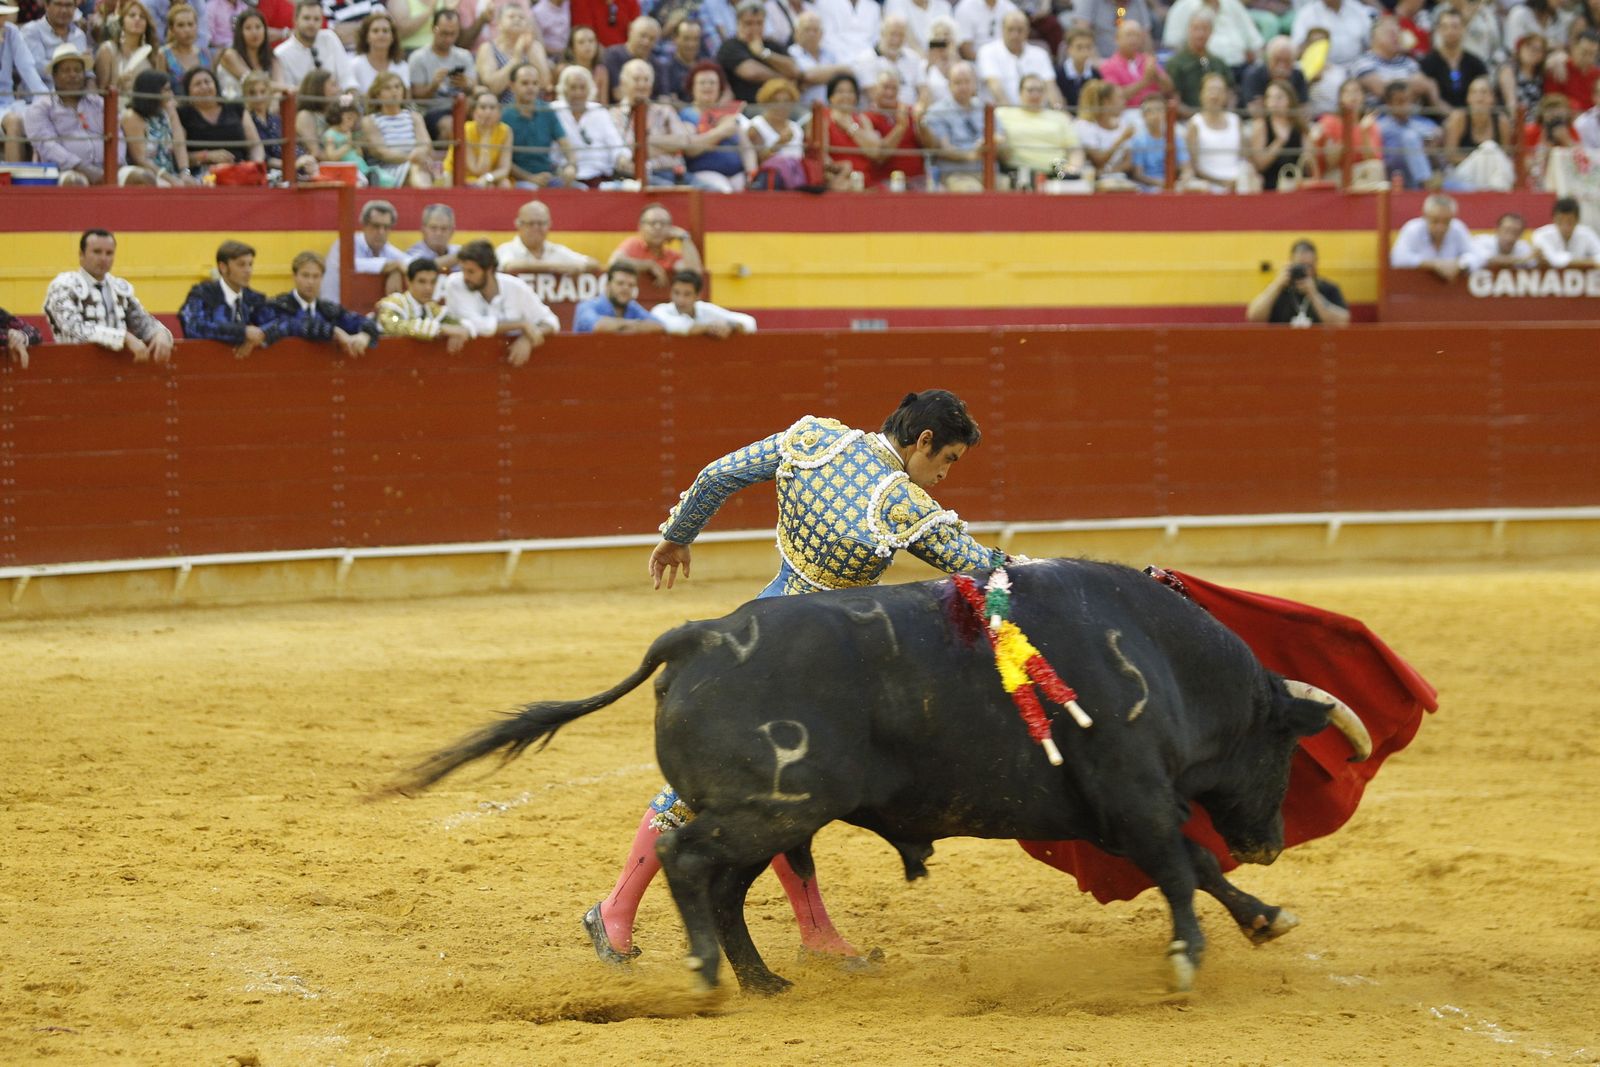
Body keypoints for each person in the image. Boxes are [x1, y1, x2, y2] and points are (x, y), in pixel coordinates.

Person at [584, 388, 1010, 967]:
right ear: (924, 441)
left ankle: (814, 932)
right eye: (947, 460)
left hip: (762, 624)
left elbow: (715, 476)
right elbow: (978, 563)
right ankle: (614, 909)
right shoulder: (898, 502)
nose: (944, 476)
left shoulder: (814, 439)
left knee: (792, 789)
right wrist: (1049, 578)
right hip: (807, 667)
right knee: (722, 788)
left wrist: (678, 535)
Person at [43, 228, 177, 360]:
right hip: (74, 367)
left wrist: (160, 333)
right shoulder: (64, 286)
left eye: (109, 253)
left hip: (116, 370)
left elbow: (143, 322)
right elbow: (74, 329)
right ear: (81, 255)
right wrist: (123, 337)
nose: (103, 258)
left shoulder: (119, 288)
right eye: (97, 252)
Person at [439, 239, 558, 366]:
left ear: (489, 269)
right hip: (467, 364)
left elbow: (551, 321)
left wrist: (528, 338)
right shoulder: (455, 284)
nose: (465, 277)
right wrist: (522, 325)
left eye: (471, 271)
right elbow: (477, 325)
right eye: (463, 270)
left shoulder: (516, 287)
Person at [24, 45, 125, 185]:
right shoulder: (40, 108)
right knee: (74, 181)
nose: (73, 75)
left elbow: (117, 135)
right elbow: (48, 146)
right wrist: (84, 169)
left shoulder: (99, 103)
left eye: (78, 70)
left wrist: (114, 166)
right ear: (54, 76)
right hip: (65, 170)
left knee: (140, 178)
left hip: (110, 168)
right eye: (66, 70)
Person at [265, 250, 380, 357]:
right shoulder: (279, 305)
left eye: (316, 276)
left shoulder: (328, 309)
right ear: (295, 276)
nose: (310, 282)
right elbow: (294, 325)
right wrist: (334, 331)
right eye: (305, 275)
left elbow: (363, 321)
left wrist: (365, 334)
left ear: (322, 278)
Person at [178, 239, 277, 358]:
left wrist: (260, 335)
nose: (248, 270)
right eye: (241, 264)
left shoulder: (253, 298)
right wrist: (242, 333)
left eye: (250, 264)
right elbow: (193, 327)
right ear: (223, 267)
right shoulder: (202, 294)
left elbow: (281, 321)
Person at [610, 58, 691, 186]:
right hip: (640, 177)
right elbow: (629, 152)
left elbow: (683, 142)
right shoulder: (614, 115)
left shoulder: (664, 110)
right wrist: (668, 147)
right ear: (623, 83)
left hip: (678, 174)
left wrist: (645, 141)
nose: (642, 85)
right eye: (636, 79)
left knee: (712, 191)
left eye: (646, 80)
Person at [679, 61, 756, 191]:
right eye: (702, 83)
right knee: (723, 191)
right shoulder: (687, 115)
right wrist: (721, 131)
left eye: (712, 83)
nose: (707, 87)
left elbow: (746, 147)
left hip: (738, 174)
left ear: (720, 88)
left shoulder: (728, 114)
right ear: (692, 87)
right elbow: (690, 149)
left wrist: (751, 172)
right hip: (704, 174)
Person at [552, 64, 631, 185]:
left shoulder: (599, 111)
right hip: (565, 176)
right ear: (564, 89)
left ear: (589, 89)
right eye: (573, 88)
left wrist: (622, 157)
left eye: (582, 87)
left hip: (598, 175)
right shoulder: (554, 110)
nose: (578, 93)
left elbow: (616, 144)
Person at [1245, 238, 1350, 326]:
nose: (1304, 271)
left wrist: (1313, 294)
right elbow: (1254, 317)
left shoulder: (1327, 288)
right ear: (1291, 263)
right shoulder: (1279, 289)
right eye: (1300, 266)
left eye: (1308, 266)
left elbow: (1342, 321)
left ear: (1316, 264)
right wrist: (1277, 285)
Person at [178, 65, 264, 172]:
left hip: (240, 171)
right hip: (202, 175)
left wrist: (254, 165)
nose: (204, 87)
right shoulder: (182, 115)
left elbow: (255, 145)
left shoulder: (236, 108)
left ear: (216, 86)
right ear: (188, 92)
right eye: (197, 84)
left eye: (207, 82)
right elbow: (178, 155)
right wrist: (206, 156)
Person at [409, 7, 476, 142]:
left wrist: (465, 84)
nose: (448, 39)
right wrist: (433, 86)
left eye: (453, 34)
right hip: (433, 111)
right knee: (451, 126)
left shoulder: (464, 56)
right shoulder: (418, 58)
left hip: (462, 106)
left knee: (485, 109)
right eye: (444, 33)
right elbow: (417, 97)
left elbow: (474, 88)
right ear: (433, 29)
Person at [503, 61, 575, 186]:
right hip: (519, 181)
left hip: (548, 176)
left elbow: (566, 145)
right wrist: (530, 178)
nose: (531, 87)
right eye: (525, 83)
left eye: (535, 83)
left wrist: (571, 166)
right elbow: (503, 161)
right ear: (512, 86)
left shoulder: (547, 110)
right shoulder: (504, 116)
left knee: (581, 189)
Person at [996, 71, 1081, 177]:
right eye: (1030, 90)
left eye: (1040, 90)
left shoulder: (1060, 117)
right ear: (1020, 92)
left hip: (1057, 173)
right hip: (1016, 172)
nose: (1035, 95)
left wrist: (1073, 169)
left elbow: (1075, 149)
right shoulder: (1002, 113)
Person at [324, 199, 409, 304]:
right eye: (376, 226)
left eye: (386, 227)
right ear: (364, 225)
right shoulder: (345, 244)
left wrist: (396, 270)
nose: (381, 232)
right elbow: (351, 265)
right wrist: (393, 265)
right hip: (331, 311)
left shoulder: (387, 250)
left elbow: (409, 263)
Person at [375, 256, 472, 346]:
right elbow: (395, 324)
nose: (428, 288)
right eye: (422, 281)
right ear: (408, 281)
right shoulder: (393, 303)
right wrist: (441, 329)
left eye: (432, 282)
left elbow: (459, 323)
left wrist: (463, 329)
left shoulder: (431, 308)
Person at [362, 70, 435, 188]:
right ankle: (427, 199)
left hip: (415, 164)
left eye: (397, 86)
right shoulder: (369, 121)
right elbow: (381, 152)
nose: (394, 91)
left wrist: (417, 156)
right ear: (377, 94)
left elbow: (426, 144)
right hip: (385, 170)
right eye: (388, 88)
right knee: (416, 168)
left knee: (420, 168)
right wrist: (410, 159)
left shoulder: (415, 117)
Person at [497, 198, 602, 279]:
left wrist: (578, 268)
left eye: (541, 223)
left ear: (549, 224)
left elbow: (593, 263)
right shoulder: (506, 249)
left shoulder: (557, 251)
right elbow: (510, 267)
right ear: (518, 224)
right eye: (531, 223)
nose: (536, 228)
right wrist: (556, 268)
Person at [122, 68, 194, 184]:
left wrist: (185, 173)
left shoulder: (168, 109)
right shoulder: (131, 117)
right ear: (152, 92)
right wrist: (172, 180)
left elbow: (179, 144)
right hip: (148, 177)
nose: (171, 94)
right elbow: (140, 159)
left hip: (171, 174)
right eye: (166, 90)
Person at [609, 202, 705, 288]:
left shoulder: (670, 256)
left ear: (670, 228)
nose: (658, 227)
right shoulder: (633, 244)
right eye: (652, 223)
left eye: (663, 224)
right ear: (640, 227)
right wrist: (649, 265)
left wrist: (684, 238)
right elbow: (613, 263)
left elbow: (694, 273)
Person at [1308, 77, 1382, 183]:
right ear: (1340, 99)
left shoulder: (1369, 123)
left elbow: (1373, 159)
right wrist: (1339, 146)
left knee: (1375, 167)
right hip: (1335, 173)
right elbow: (1329, 164)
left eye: (1356, 91)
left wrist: (1364, 132)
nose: (1353, 96)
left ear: (1363, 97)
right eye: (1347, 92)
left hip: (1361, 172)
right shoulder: (1330, 121)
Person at [923, 59, 983, 189]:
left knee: (1018, 190)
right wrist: (972, 155)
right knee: (973, 192)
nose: (963, 87)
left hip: (988, 172)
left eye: (967, 82)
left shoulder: (984, 108)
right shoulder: (938, 111)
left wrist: (995, 140)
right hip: (955, 174)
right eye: (958, 83)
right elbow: (945, 149)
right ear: (949, 85)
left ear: (974, 84)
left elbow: (1001, 137)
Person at [975, 9, 1052, 107]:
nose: (1015, 35)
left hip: (1037, 115)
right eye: (1010, 29)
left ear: (1028, 31)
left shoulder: (1041, 54)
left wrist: (1060, 112)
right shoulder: (987, 52)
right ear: (1002, 30)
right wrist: (1013, 114)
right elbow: (995, 88)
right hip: (1001, 116)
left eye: (1020, 30)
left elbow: (1051, 88)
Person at [1162, 0, 1264, 73]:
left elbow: (1255, 42)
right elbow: (1173, 45)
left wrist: (1257, 63)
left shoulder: (1233, 4)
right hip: (1201, 68)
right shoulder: (1183, 6)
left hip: (1239, 68)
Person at [1185, 70, 1246, 191]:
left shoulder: (1236, 120)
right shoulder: (1195, 123)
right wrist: (1222, 182)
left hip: (1238, 183)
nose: (1215, 95)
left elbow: (1243, 157)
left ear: (1226, 95)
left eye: (1219, 90)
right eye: (1210, 90)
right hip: (1209, 185)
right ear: (1201, 94)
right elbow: (1194, 166)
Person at [1390, 191, 1474, 278]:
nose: (1440, 227)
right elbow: (1398, 258)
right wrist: (1433, 264)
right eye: (1435, 221)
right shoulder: (1413, 229)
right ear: (1425, 216)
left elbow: (1476, 255)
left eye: (1446, 222)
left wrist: (1459, 264)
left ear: (1452, 217)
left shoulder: (1457, 228)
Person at [649, 268, 756, 336]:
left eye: (687, 294)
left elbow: (749, 322)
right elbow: (676, 326)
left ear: (697, 296)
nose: (680, 299)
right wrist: (710, 328)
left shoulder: (705, 309)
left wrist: (729, 325)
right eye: (676, 293)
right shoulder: (660, 310)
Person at [2, 14, 50, 165]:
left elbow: (27, 68)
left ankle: (43, 180)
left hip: (7, 103)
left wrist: (46, 99)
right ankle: (11, 187)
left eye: (3, 15)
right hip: (6, 111)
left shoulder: (11, 32)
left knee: (40, 114)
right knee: (13, 121)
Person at [478, 4, 550, 104]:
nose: (517, 20)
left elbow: (544, 83)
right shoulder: (488, 48)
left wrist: (530, 49)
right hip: (502, 108)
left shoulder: (534, 46)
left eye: (522, 17)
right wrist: (516, 58)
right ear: (499, 23)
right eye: (511, 16)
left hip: (533, 106)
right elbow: (493, 87)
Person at [1419, 8, 1489, 112]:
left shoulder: (1476, 64)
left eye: (1455, 26)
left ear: (1463, 29)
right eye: (1445, 27)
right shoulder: (1427, 63)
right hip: (1435, 122)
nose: (1450, 31)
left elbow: (1486, 96)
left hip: (1470, 120)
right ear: (1438, 30)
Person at [274, 0, 354, 90]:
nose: (311, 23)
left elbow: (347, 78)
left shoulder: (329, 37)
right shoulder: (281, 53)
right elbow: (289, 93)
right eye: (306, 18)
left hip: (338, 101)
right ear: (295, 20)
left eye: (316, 19)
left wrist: (351, 93)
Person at [1167, 9, 1236, 112]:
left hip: (1219, 118)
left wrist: (1227, 114)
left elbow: (1230, 93)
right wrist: (1200, 118)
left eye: (1205, 29)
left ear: (1211, 32)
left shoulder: (1219, 63)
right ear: (1189, 30)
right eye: (1196, 28)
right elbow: (1174, 99)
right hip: (1187, 119)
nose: (1200, 34)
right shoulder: (1176, 63)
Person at [443, 88, 514, 186]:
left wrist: (488, 177)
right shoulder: (465, 130)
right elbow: (477, 170)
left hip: (485, 176)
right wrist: (486, 135)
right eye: (483, 107)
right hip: (459, 176)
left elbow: (504, 169)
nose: (488, 112)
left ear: (499, 113)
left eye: (492, 108)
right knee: (485, 186)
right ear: (474, 112)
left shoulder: (506, 131)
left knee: (505, 184)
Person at [1375, 79, 1438, 189]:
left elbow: (1437, 133)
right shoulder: (1380, 127)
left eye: (1408, 101)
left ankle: (1427, 181)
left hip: (1415, 173)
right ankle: (1426, 183)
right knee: (1409, 137)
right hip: (1392, 173)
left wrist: (1434, 140)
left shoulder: (1419, 123)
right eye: (1400, 102)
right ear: (1389, 104)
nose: (1405, 106)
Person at [1248, 77, 1307, 190]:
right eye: (1270, 97)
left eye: (1279, 97)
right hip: (1271, 186)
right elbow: (1259, 164)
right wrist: (1279, 142)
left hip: (1298, 184)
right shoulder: (1261, 125)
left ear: (1290, 100)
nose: (1274, 102)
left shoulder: (1299, 126)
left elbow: (1309, 161)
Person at [572, 263, 665, 333]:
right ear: (607, 285)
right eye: (620, 283)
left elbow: (659, 326)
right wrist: (636, 325)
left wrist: (620, 326)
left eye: (631, 285)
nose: (626, 288)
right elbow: (599, 326)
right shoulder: (586, 306)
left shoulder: (632, 307)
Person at [94, 0, 160, 98]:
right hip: (115, 108)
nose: (137, 19)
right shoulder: (108, 49)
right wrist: (118, 83)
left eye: (142, 17)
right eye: (132, 15)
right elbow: (100, 92)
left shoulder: (152, 54)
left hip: (146, 108)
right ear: (122, 21)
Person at [20, 0, 91, 91]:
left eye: (68, 5)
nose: (64, 10)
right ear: (46, 6)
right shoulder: (32, 31)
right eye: (58, 4)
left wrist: (91, 84)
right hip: (40, 97)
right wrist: (72, 73)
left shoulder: (79, 35)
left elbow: (86, 70)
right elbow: (36, 68)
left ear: (75, 8)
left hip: (75, 97)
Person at [1100, 21, 1172, 110]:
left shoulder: (1148, 60)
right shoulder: (1108, 66)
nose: (1133, 39)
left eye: (1137, 35)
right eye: (1129, 35)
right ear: (1117, 39)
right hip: (1125, 113)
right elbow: (1113, 97)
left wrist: (1157, 76)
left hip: (1154, 112)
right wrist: (1144, 81)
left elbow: (1169, 89)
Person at [1128, 91, 1192, 189]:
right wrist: (1162, 184)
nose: (1155, 115)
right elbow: (1138, 174)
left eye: (1159, 110)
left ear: (1166, 113)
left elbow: (1187, 168)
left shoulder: (1176, 139)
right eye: (1150, 111)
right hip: (1148, 189)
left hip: (1173, 186)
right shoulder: (1138, 141)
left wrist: (1184, 180)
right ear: (1143, 115)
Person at [788, 10, 852, 105]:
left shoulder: (831, 54)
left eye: (815, 30)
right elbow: (804, 77)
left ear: (821, 34)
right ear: (797, 32)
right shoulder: (790, 53)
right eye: (807, 29)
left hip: (830, 111)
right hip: (803, 111)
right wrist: (832, 73)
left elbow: (846, 72)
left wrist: (810, 80)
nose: (812, 34)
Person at [602, 14, 660, 102]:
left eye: (652, 39)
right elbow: (617, 93)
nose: (646, 42)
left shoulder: (657, 63)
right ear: (631, 32)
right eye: (643, 36)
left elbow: (663, 97)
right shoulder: (613, 55)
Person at [1239, 35, 1308, 109]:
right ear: (1269, 59)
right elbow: (1254, 110)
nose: (1281, 65)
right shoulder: (1253, 74)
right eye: (1277, 60)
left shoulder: (1297, 75)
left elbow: (1303, 108)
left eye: (1287, 61)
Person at [1530, 196, 1600, 267]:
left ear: (1577, 220)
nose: (1565, 226)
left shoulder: (1587, 234)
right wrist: (1587, 261)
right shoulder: (1541, 234)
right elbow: (1554, 260)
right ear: (1554, 219)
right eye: (1560, 221)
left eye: (1569, 221)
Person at [349, 9, 406, 95]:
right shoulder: (355, 65)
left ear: (392, 37)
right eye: (375, 31)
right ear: (367, 37)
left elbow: (406, 100)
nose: (381, 35)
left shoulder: (402, 66)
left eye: (385, 31)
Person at [655, 14, 708, 102]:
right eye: (686, 39)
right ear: (675, 39)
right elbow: (668, 100)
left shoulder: (707, 64)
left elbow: (726, 91)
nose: (691, 44)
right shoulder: (666, 67)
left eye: (695, 39)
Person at [1546, 29, 1600, 112]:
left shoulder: (1597, 75)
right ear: (1574, 47)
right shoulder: (1559, 68)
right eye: (1584, 52)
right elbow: (1550, 101)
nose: (1587, 58)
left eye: (1592, 54)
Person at [1462, 211, 1536, 270]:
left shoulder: (1523, 247)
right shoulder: (1482, 242)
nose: (1510, 237)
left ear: (1521, 234)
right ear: (1497, 230)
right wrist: (1521, 260)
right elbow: (1488, 260)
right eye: (1506, 230)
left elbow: (1534, 264)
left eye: (1515, 232)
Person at [816, 0, 882, 63]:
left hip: (869, 59)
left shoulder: (874, 7)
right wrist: (847, 58)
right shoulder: (826, 3)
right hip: (837, 58)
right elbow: (828, 37)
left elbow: (876, 38)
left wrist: (868, 55)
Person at [405, 202, 460, 273]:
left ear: (452, 231)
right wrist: (461, 257)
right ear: (423, 229)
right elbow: (417, 268)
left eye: (444, 228)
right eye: (433, 228)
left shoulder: (458, 250)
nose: (438, 233)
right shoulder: (414, 253)